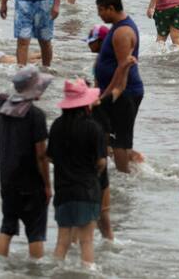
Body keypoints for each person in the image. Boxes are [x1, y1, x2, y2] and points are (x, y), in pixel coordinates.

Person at [47, 78, 106, 269]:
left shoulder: (57, 126)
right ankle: (88, 273)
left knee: (62, 241)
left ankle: (55, 272)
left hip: (63, 190)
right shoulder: (93, 128)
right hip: (87, 189)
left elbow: (50, 157)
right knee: (86, 241)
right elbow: (101, 162)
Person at [0, 67, 52, 259]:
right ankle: (35, 272)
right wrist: (47, 185)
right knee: (35, 232)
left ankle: (0, 268)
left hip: (7, 179)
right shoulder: (36, 116)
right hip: (30, 181)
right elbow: (41, 155)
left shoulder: (3, 112)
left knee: (7, 227)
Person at [93, 0, 143, 173]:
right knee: (109, 136)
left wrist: (106, 95)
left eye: (101, 10)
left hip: (124, 92)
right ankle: (133, 166)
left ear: (111, 8)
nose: (99, 14)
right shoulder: (118, 27)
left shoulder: (122, 32)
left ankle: (125, 178)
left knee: (119, 140)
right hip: (119, 92)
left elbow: (123, 68)